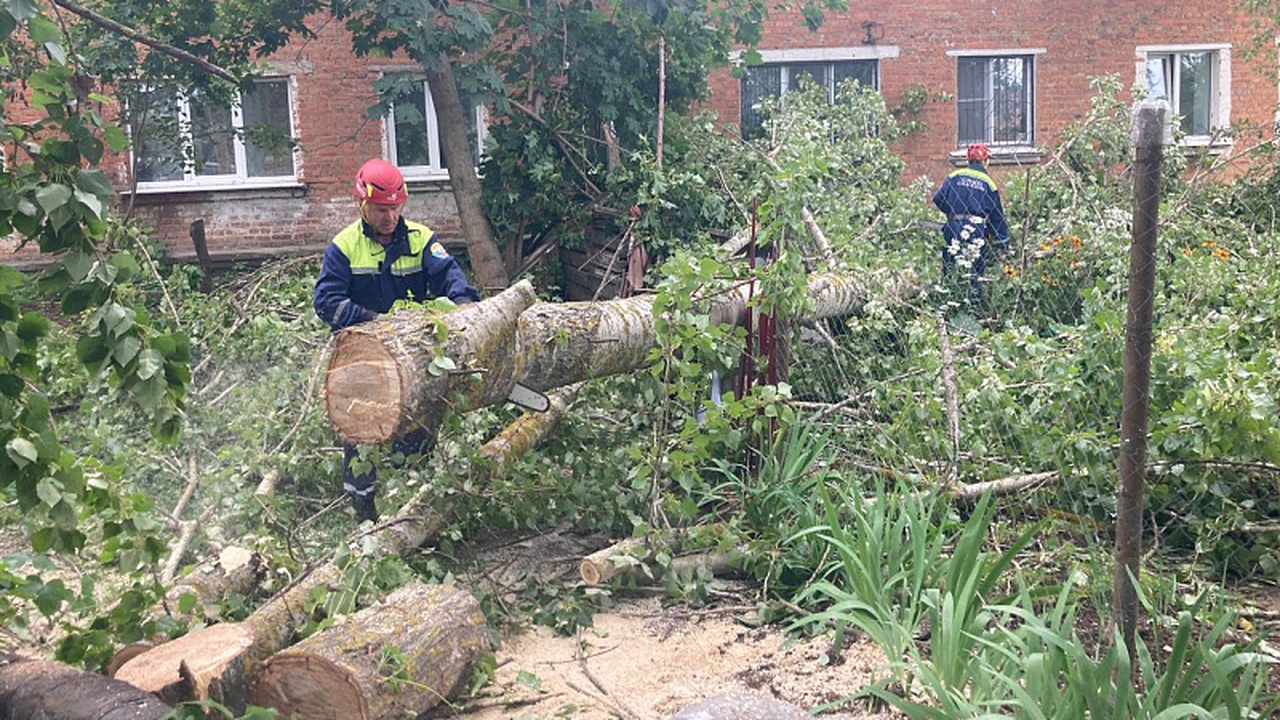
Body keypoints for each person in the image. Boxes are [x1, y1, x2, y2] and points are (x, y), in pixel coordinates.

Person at [314, 158, 481, 522]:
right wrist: (374, 322)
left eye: (394, 208)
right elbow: (326, 303)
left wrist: (465, 309)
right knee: (359, 437)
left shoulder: (422, 240)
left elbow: (451, 279)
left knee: (417, 432)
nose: (389, 217)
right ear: (362, 205)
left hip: (413, 358)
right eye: (380, 209)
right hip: (360, 360)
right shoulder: (343, 247)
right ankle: (364, 518)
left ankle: (416, 512)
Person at [931, 143, 1011, 304]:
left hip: (953, 226)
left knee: (950, 267)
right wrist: (1003, 241)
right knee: (975, 271)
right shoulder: (989, 183)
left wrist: (952, 213)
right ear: (985, 161)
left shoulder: (955, 176)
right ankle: (973, 303)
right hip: (976, 229)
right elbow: (997, 216)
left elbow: (938, 199)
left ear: (969, 160)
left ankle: (947, 302)